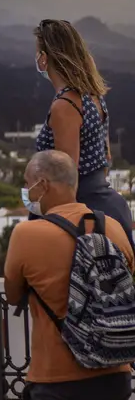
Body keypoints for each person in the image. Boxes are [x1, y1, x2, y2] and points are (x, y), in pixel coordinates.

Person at [5, 150, 133, 400]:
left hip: (58, 383)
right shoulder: (112, 227)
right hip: (114, 375)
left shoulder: (27, 234)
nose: (27, 192)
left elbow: (12, 294)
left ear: (43, 185)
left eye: (28, 184)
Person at [33, 19, 133, 242]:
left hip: (83, 218)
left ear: (43, 59)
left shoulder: (65, 105)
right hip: (110, 205)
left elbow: (67, 176)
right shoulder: (93, 96)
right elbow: (105, 157)